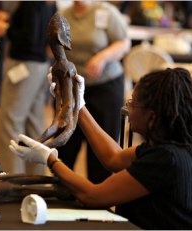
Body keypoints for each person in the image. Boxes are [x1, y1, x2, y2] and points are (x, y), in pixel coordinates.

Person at [9, 67, 192, 229]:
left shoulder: (166, 160)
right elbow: (114, 158)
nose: (128, 107)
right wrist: (78, 105)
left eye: (133, 103)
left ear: (151, 117)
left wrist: (49, 159)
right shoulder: (174, 146)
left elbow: (92, 195)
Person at [55, 1, 131, 183]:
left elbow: (124, 42)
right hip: (71, 87)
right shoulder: (62, 15)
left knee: (100, 150)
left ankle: (99, 200)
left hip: (104, 87)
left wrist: (102, 58)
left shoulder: (106, 12)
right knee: (65, 146)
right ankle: (62, 195)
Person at [0, 1, 56, 175]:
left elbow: (30, 37)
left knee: (10, 122)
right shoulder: (48, 4)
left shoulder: (30, 3)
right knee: (34, 123)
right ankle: (36, 178)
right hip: (40, 65)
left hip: (24, 64)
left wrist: (6, 29)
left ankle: (11, 179)